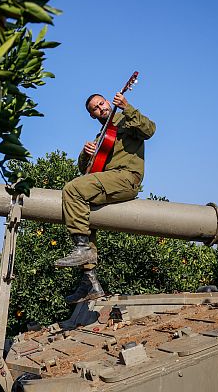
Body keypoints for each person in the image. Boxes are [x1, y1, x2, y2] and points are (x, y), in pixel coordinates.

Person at [56, 92, 156, 303]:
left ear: (109, 102)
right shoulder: (102, 135)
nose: (101, 107)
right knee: (81, 210)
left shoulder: (127, 121)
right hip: (109, 179)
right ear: (92, 115)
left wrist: (127, 106)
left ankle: (82, 249)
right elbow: (86, 169)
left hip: (127, 177)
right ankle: (90, 282)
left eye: (102, 103)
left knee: (72, 190)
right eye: (95, 108)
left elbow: (150, 130)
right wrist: (85, 153)